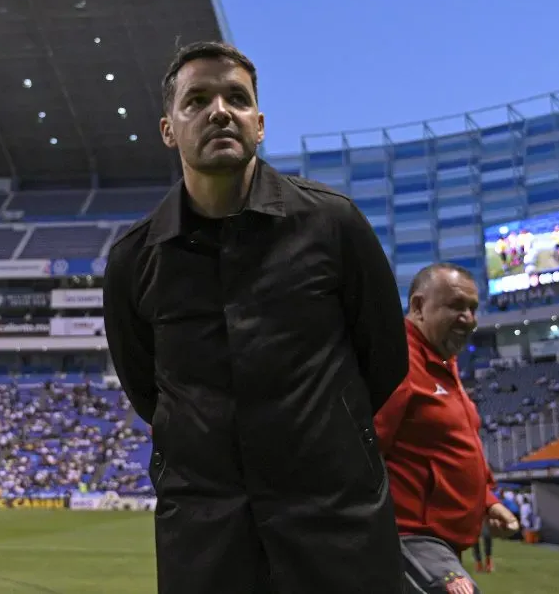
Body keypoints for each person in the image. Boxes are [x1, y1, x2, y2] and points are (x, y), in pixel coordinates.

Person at [103, 41, 409, 594]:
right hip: (206, 538)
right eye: (196, 100)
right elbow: (145, 387)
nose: (219, 110)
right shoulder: (135, 258)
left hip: (335, 527)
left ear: (259, 123)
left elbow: (384, 359)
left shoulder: (333, 224)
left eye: (236, 98)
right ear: (169, 129)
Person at [373, 263, 519, 594]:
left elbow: (442, 448)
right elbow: (362, 451)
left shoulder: (442, 363)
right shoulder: (398, 361)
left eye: (472, 308)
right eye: (456, 306)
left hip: (435, 542)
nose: (469, 318)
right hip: (410, 537)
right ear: (418, 307)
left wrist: (486, 501)